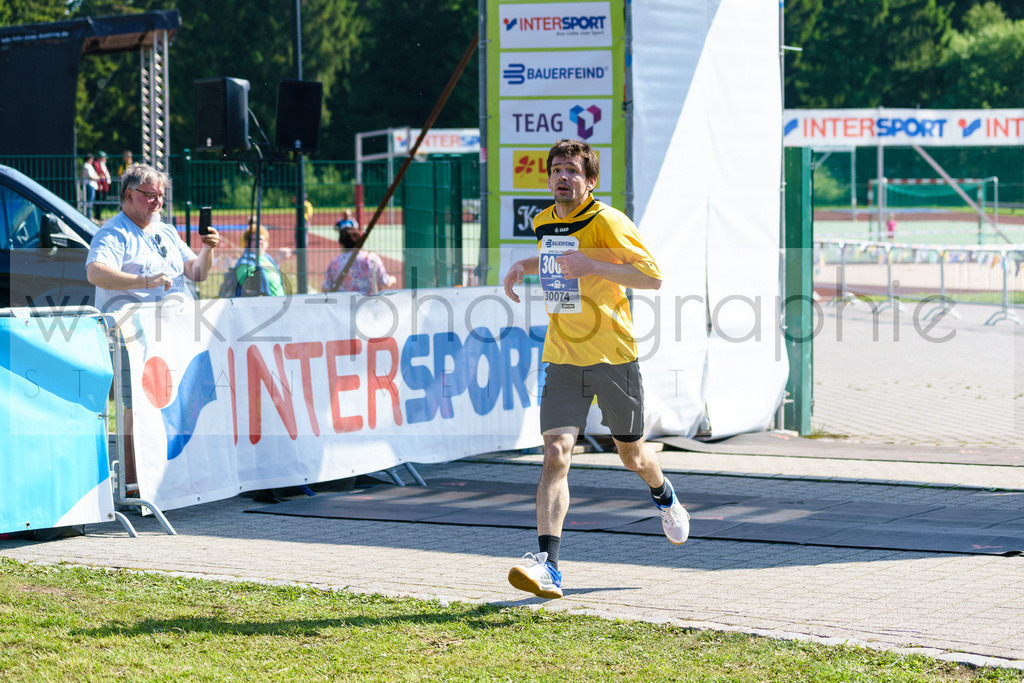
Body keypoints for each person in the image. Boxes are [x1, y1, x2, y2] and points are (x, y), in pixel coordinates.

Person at [502, 138, 689, 599]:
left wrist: (592, 264)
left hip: (613, 355)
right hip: (563, 354)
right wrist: (523, 265)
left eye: (573, 171)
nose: (563, 177)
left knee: (633, 457)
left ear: (590, 181)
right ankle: (549, 565)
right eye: (557, 170)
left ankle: (664, 495)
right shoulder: (544, 220)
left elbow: (653, 276)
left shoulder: (608, 221)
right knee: (555, 454)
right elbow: (556, 260)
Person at [86, 163, 221, 312]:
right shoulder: (114, 232)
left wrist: (208, 248)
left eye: (161, 195)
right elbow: (95, 274)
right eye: (151, 195)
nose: (158, 202)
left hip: (173, 324)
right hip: (132, 329)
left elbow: (197, 273)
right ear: (129, 195)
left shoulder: (167, 231)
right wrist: (146, 282)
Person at [220, 219, 287, 297]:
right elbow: (249, 289)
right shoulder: (244, 264)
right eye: (253, 240)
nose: (257, 242)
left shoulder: (267, 258)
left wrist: (279, 258)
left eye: (260, 239)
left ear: (267, 243)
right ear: (247, 243)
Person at [322, 225, 393, 295]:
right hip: (368, 303)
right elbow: (384, 282)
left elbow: (325, 288)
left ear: (341, 243)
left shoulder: (335, 262)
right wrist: (392, 279)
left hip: (343, 304)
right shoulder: (372, 258)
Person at [92, 151, 112, 220]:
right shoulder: (96, 164)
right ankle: (97, 216)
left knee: (103, 201)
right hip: (101, 186)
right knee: (99, 201)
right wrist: (99, 184)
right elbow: (98, 175)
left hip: (105, 187)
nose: (105, 159)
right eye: (104, 158)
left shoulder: (103, 165)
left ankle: (98, 215)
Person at [81, 154, 99, 219]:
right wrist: (97, 177)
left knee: (90, 202)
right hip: (89, 185)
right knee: (89, 202)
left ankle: (90, 216)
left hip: (91, 185)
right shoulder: (86, 166)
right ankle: (90, 217)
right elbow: (91, 176)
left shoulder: (88, 166)